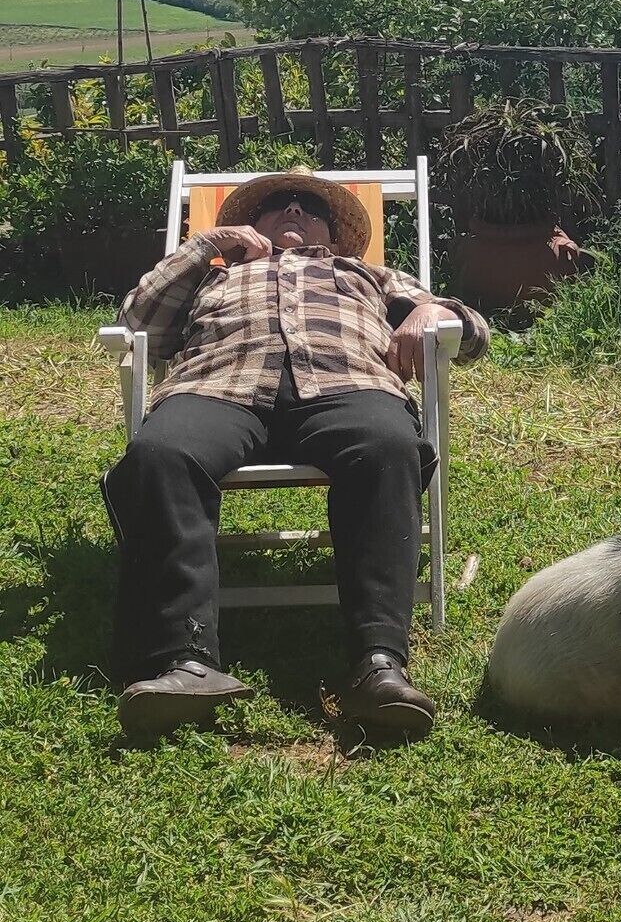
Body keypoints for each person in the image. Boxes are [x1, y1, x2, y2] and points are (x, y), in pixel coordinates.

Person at [103, 168, 489, 744]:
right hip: (219, 386)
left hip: (347, 385)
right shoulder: (213, 276)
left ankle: (378, 665)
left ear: (332, 237)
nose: (292, 209)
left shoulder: (366, 273)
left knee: (387, 446)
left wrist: (436, 311)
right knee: (161, 452)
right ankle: (186, 662)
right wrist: (205, 246)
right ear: (246, 225)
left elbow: (473, 332)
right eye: (277, 203)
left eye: (309, 205)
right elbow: (139, 322)